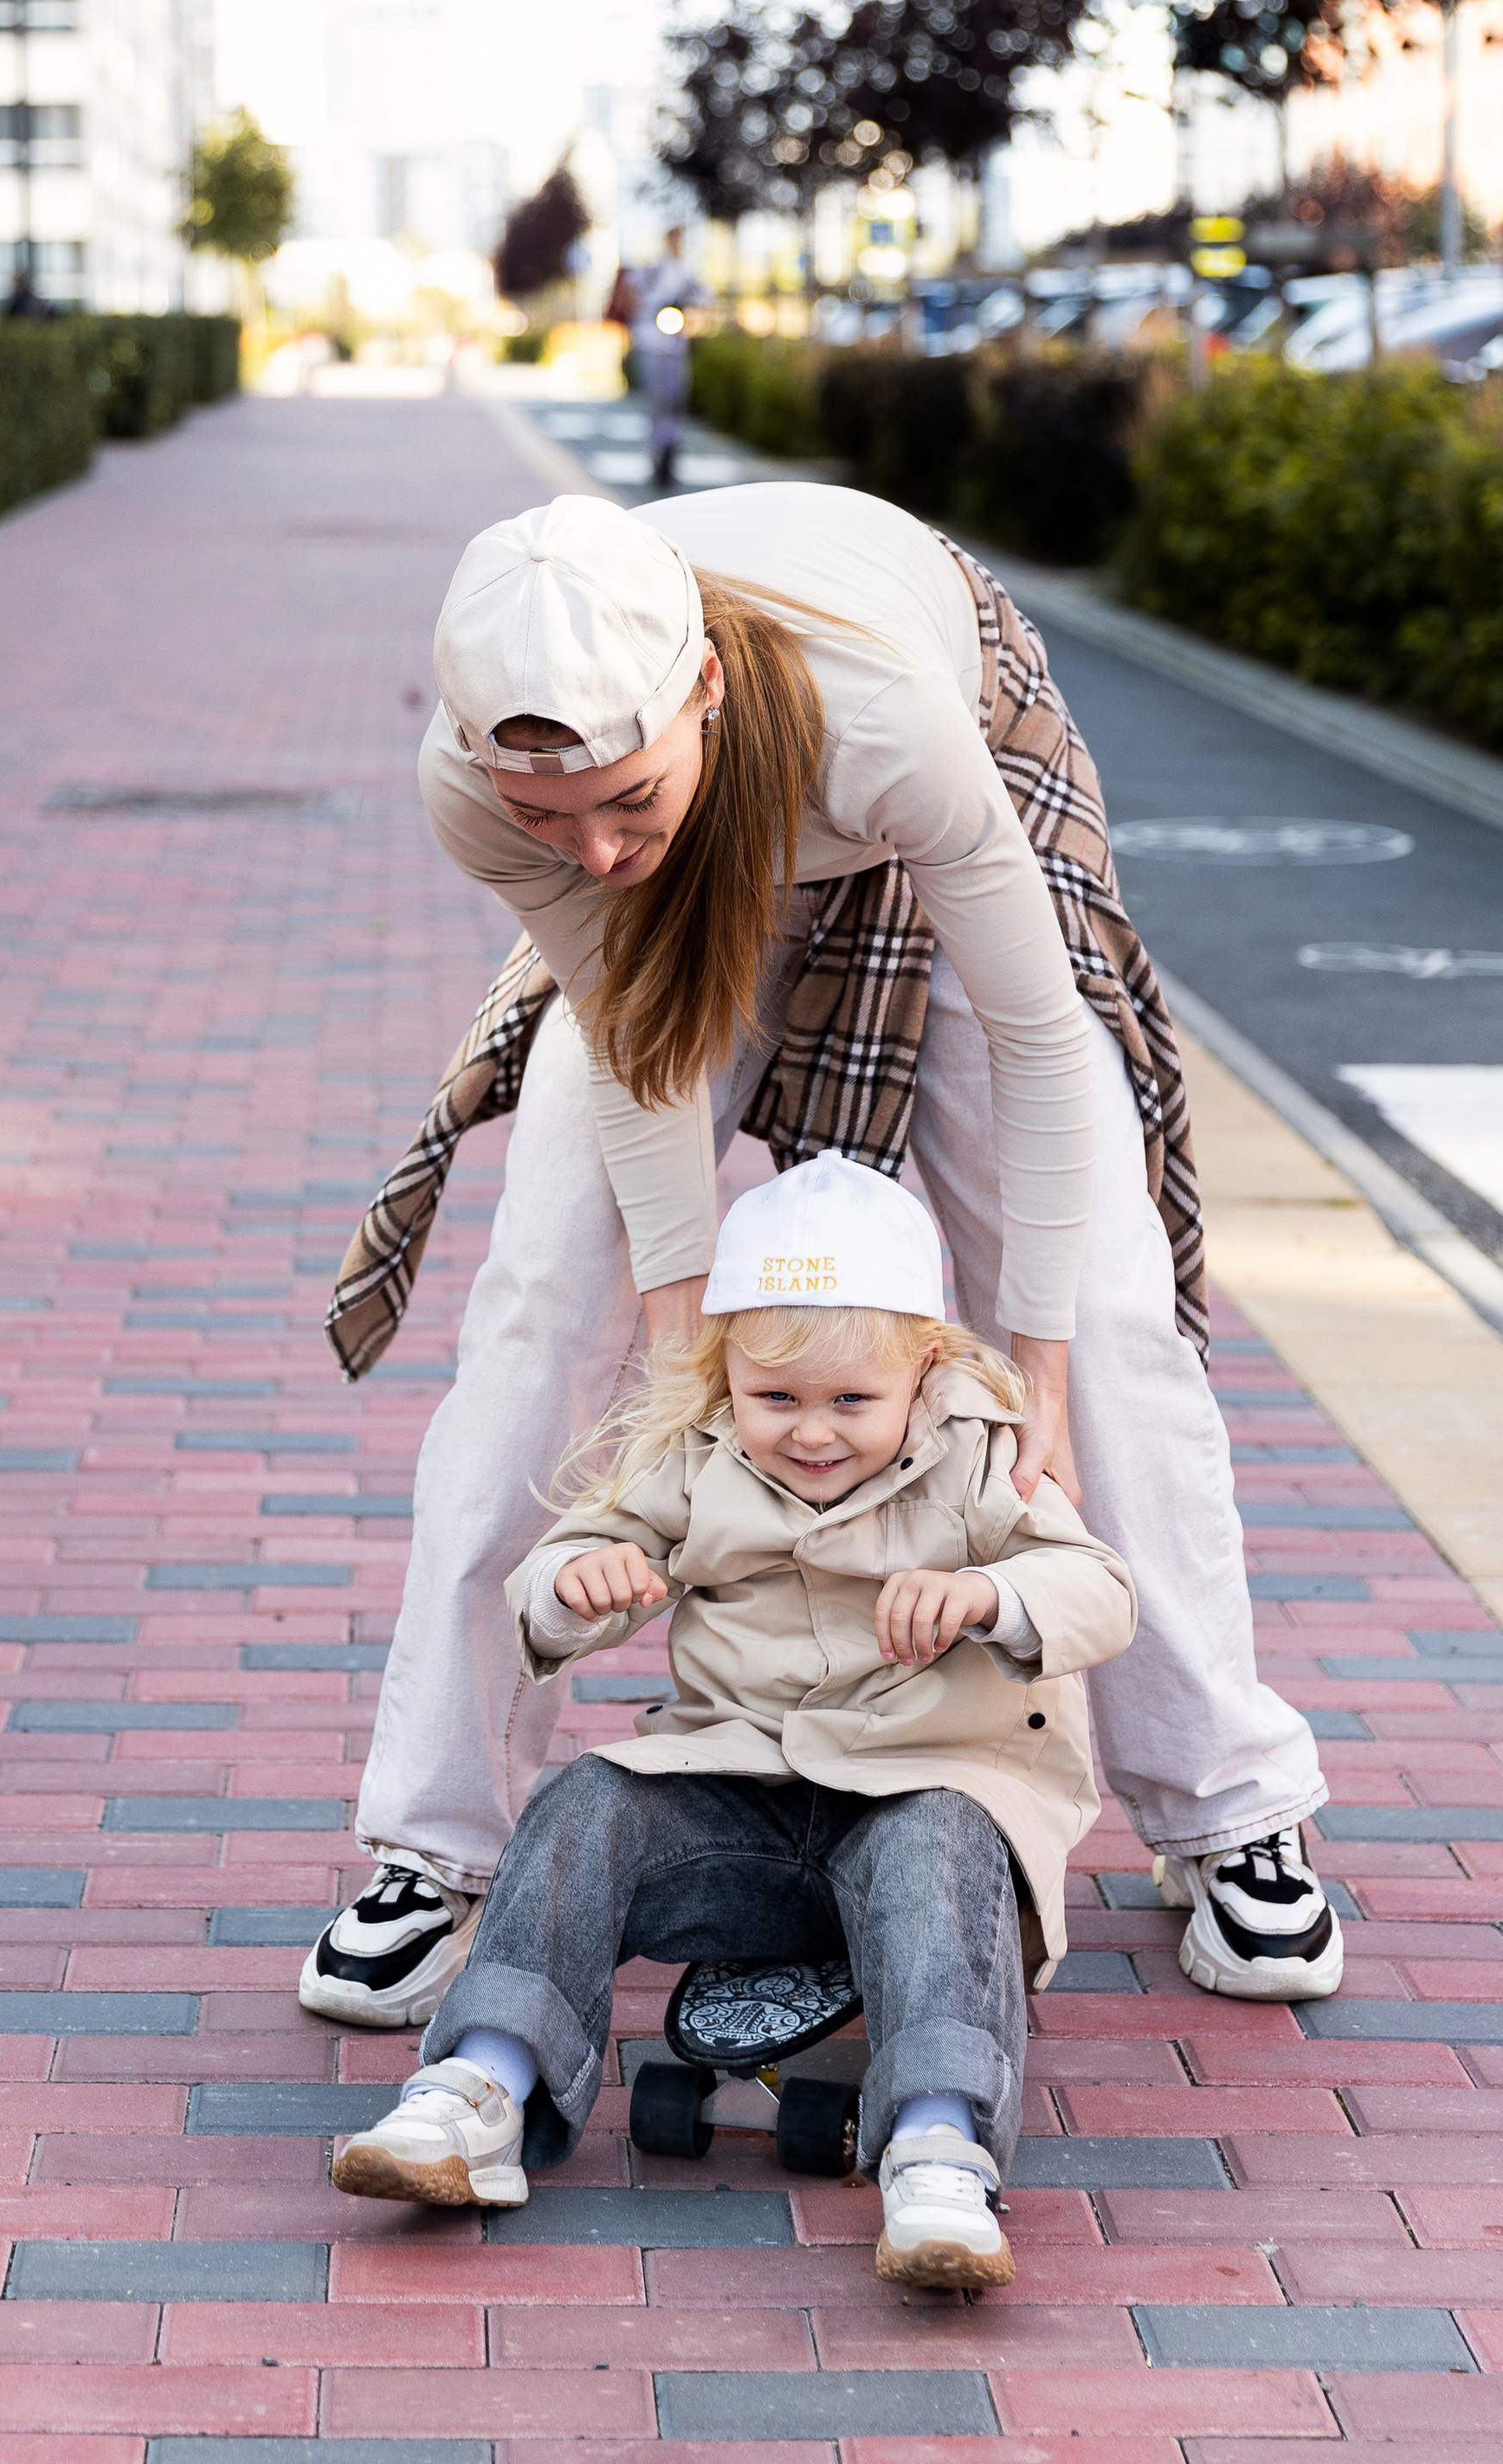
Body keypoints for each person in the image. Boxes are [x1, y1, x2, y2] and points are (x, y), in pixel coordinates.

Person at [300, 487, 1341, 2034]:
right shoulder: (492, 796)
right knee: (535, 1320)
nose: (592, 849)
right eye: (549, 816)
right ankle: (441, 1845)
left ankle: (1227, 1801)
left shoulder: (882, 724)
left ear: (702, 693)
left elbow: (1048, 1044)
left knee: (1107, 1315)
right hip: (698, 906)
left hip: (929, 793)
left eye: (624, 798)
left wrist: (1034, 1358)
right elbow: (644, 1052)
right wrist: (681, 1359)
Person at [331, 1154, 1135, 2289]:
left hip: (923, 1780)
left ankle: (939, 2148)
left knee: (945, 1846)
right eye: (778, 1400)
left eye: (853, 1401)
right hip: (736, 1795)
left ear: (928, 1365)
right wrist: (579, 1583)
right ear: (725, 1376)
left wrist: (991, 1595)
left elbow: (1100, 1588)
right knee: (585, 1802)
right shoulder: (694, 1458)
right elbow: (559, 1567)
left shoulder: (980, 1456)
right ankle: (481, 2086)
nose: (813, 1433)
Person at [632, 225, 704, 490]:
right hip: (653, 343)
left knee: (675, 400)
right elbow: (637, 288)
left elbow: (703, 293)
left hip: (676, 344)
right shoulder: (655, 269)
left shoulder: (686, 271)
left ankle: (672, 452)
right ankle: (655, 452)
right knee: (657, 403)